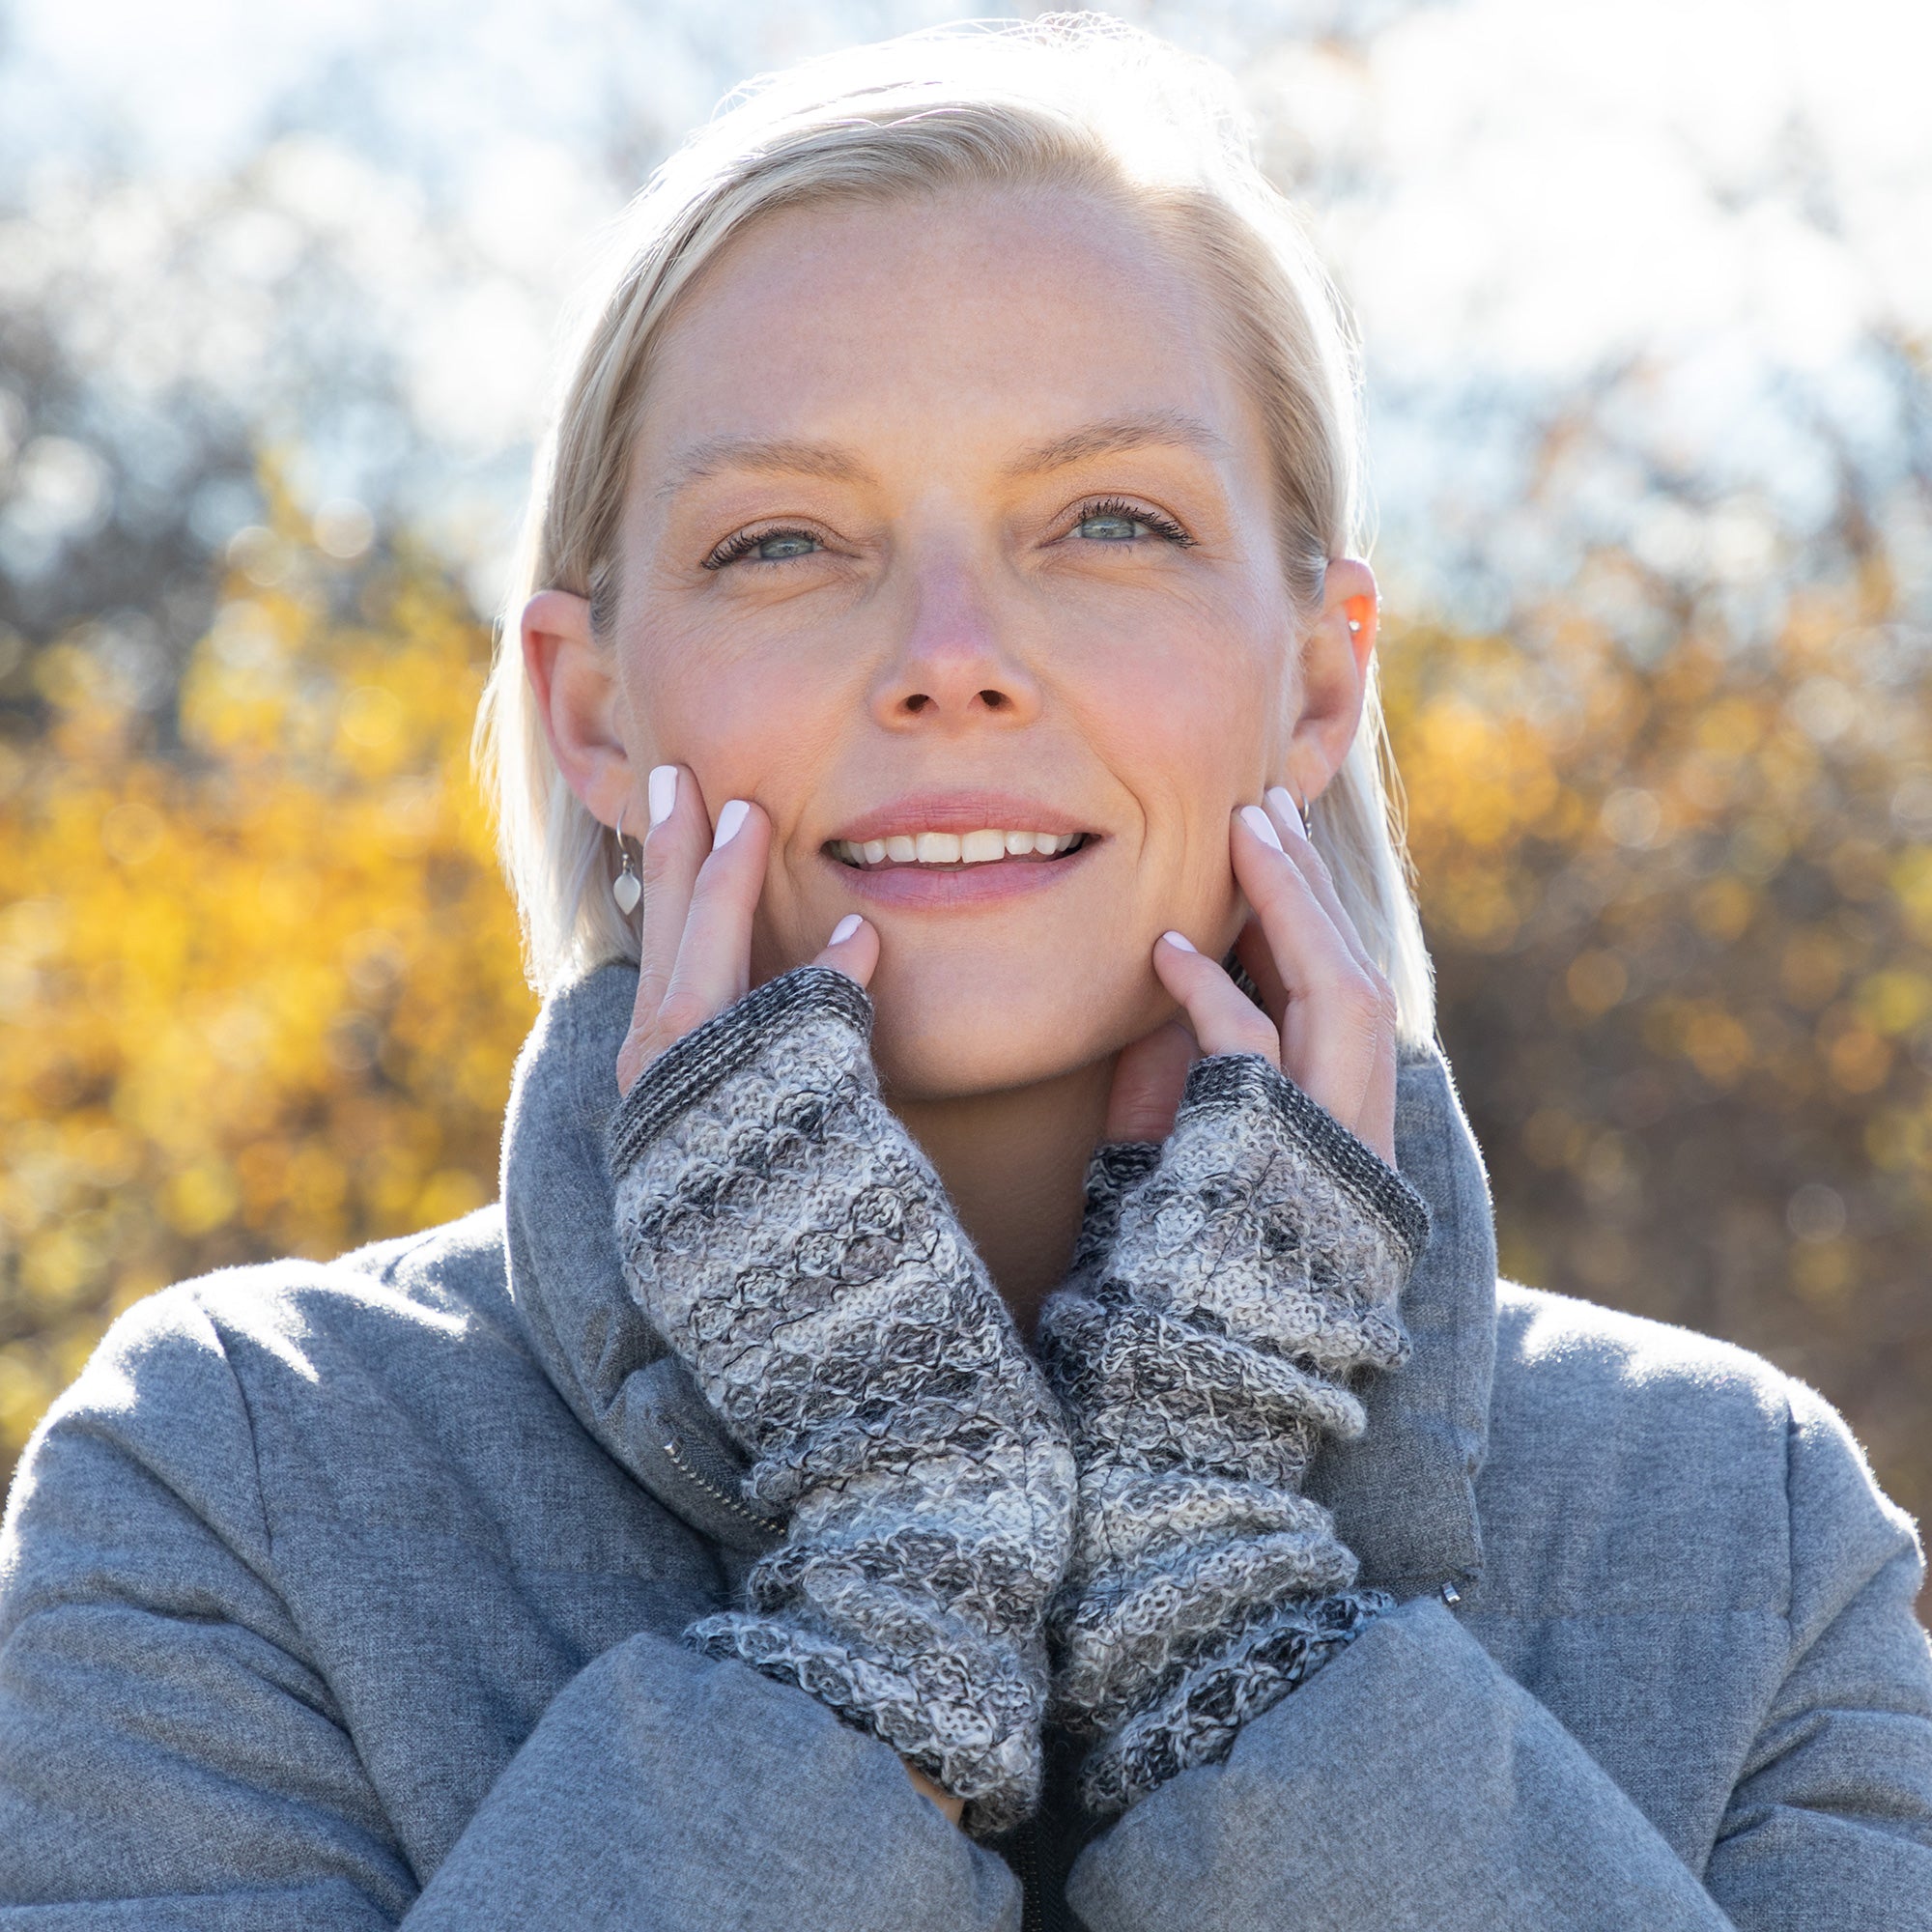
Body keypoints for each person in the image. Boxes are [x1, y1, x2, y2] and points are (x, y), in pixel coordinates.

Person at [1, 14, 1928, 1928]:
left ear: (1318, 679)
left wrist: (1226, 1596)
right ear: (589, 709)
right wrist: (889, 1592)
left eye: (1108, 520)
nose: (949, 652)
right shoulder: (232, 1478)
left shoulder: (1737, 1525)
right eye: (780, 539)